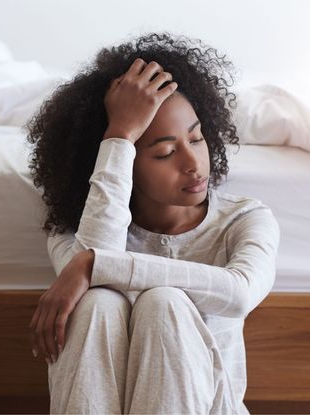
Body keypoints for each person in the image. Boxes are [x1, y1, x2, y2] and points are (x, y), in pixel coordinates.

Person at [26, 32, 280, 414]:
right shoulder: (76, 233)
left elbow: (241, 293)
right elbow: (96, 259)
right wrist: (120, 135)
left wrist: (96, 264)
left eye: (196, 139)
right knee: (95, 302)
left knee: (165, 302)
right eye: (164, 153)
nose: (193, 164)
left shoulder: (244, 219)